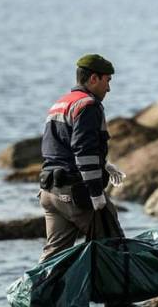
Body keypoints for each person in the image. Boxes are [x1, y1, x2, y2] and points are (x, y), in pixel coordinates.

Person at [38, 53, 127, 263]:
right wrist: (96, 194)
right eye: (108, 81)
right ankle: (115, 296)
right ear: (94, 78)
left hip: (49, 191)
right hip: (75, 193)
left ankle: (35, 293)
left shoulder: (61, 103)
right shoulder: (88, 105)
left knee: (54, 257)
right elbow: (83, 151)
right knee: (113, 249)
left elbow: (58, 148)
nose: (109, 88)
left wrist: (103, 164)